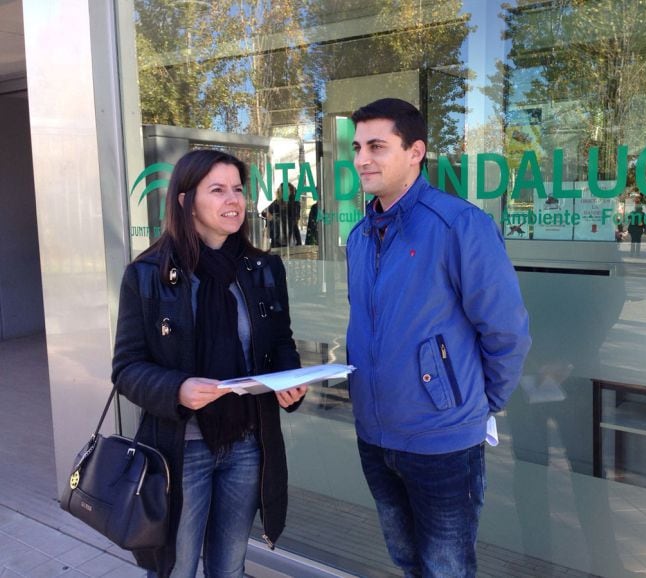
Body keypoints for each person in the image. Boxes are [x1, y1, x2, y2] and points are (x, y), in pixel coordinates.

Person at [345, 98, 531, 577]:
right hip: (375, 434)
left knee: (446, 568)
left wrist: (476, 405)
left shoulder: (459, 225)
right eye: (357, 146)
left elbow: (506, 329)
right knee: (407, 560)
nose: (362, 158)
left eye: (377, 146)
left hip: (443, 442)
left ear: (415, 152)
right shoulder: (361, 236)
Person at [111, 149, 307, 578]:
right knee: (176, 569)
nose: (232, 200)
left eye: (237, 189)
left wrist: (289, 380)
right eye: (217, 190)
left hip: (247, 444)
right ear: (185, 201)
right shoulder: (147, 275)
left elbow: (279, 343)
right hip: (183, 449)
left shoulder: (264, 269)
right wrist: (177, 389)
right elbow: (126, 368)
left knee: (229, 566)